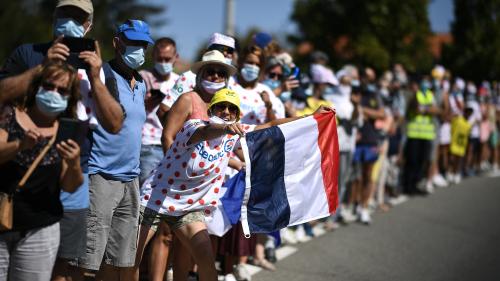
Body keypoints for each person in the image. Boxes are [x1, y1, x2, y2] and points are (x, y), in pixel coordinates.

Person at [139, 88, 333, 281]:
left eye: (232, 109)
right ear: (210, 110)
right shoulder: (193, 126)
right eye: (220, 107)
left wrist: (311, 117)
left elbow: (272, 124)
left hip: (189, 208)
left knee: (206, 262)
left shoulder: (234, 133)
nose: (226, 112)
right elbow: (206, 132)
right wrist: (225, 128)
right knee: (131, 259)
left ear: (237, 116)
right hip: (154, 199)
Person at [0, 1, 125, 280]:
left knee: (63, 269)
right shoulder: (28, 53)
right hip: (17, 183)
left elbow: (115, 123)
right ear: (53, 18)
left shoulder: (99, 69)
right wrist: (43, 68)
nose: (69, 22)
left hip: (71, 187)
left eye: (78, 18)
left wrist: (94, 76)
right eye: (64, 15)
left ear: (88, 26)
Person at [136, 49, 237, 281]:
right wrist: (176, 172)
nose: (214, 76)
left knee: (196, 251)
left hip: (194, 195)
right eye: (209, 71)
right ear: (200, 73)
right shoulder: (188, 99)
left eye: (220, 73)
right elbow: (169, 136)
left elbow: (227, 144)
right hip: (166, 188)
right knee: (154, 242)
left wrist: (310, 117)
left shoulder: (226, 109)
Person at [73, 19, 153, 281]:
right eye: (133, 43)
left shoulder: (140, 83)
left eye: (143, 44)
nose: (139, 49)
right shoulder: (102, 75)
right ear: (117, 43)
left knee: (118, 261)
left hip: (130, 179)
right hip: (101, 177)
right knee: (87, 262)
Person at [0, 60, 83, 281]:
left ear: (69, 98)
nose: (54, 93)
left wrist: (74, 163)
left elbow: (70, 185)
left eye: (62, 90)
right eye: (48, 86)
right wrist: (19, 145)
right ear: (37, 86)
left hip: (40, 230)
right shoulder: (10, 114)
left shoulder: (68, 129)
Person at [134, 37, 179, 281]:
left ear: (176, 59)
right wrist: (149, 100)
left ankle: (160, 267)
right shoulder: (141, 76)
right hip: (148, 146)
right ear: (153, 58)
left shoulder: (181, 82)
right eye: (159, 59)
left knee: (167, 212)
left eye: (167, 59)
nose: (163, 63)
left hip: (171, 149)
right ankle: (140, 268)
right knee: (147, 211)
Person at [156, 33, 237, 125]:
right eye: (220, 48)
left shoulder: (233, 83)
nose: (225, 53)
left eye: (229, 51)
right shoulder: (188, 77)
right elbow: (163, 110)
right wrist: (179, 135)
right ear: (208, 51)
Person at [402, 80, 441, 195]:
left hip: (426, 134)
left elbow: (436, 110)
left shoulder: (429, 94)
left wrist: (426, 109)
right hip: (414, 134)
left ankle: (416, 184)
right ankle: (408, 186)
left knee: (422, 161)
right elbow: (415, 108)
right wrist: (427, 109)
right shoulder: (413, 95)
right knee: (412, 162)